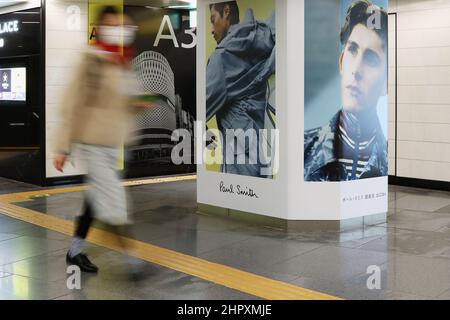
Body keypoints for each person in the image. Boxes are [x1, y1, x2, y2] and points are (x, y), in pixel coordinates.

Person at [53, 6, 150, 273]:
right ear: (100, 27)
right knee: (114, 202)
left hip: (116, 144)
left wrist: (134, 104)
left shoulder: (120, 62)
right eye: (111, 24)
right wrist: (63, 146)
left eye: (121, 25)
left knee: (95, 199)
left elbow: (118, 102)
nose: (118, 29)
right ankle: (134, 262)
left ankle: (75, 251)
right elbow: (72, 103)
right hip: (94, 143)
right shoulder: (90, 59)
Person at [304, 0, 388, 182]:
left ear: (386, 84)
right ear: (342, 61)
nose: (356, 70)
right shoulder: (302, 149)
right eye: (352, 50)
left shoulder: (385, 160)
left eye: (371, 59)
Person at [206, 1, 275, 178]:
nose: (211, 30)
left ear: (226, 12)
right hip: (260, 155)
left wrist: (207, 140)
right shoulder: (261, 37)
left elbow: (198, 111)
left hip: (239, 165)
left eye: (213, 20)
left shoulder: (221, 60)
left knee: (243, 205)